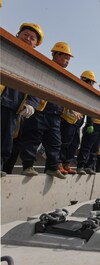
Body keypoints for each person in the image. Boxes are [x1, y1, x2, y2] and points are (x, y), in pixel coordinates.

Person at [19, 42, 73, 179]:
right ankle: (28, 166)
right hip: (40, 109)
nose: (67, 61)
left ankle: (52, 167)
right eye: (65, 58)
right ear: (56, 54)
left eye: (69, 59)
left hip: (55, 113)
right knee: (33, 137)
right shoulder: (44, 66)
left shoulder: (64, 75)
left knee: (55, 142)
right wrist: (30, 102)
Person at [1, 23, 44, 177]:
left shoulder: (35, 65)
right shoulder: (4, 47)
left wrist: (31, 103)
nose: (28, 39)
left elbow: (38, 87)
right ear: (17, 34)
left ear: (36, 45)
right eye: (25, 35)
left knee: (5, 140)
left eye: (32, 38)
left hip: (14, 106)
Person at [76, 78, 100, 175]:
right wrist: (90, 124)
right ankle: (80, 166)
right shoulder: (96, 97)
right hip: (94, 126)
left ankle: (89, 167)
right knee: (87, 147)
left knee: (95, 149)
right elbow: (91, 111)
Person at [59, 70, 91, 174]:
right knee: (64, 142)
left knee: (74, 144)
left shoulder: (86, 95)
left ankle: (66, 164)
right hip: (68, 120)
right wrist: (72, 108)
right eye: (90, 82)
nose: (91, 85)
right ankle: (59, 163)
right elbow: (66, 98)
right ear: (85, 80)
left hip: (77, 123)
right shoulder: (75, 88)